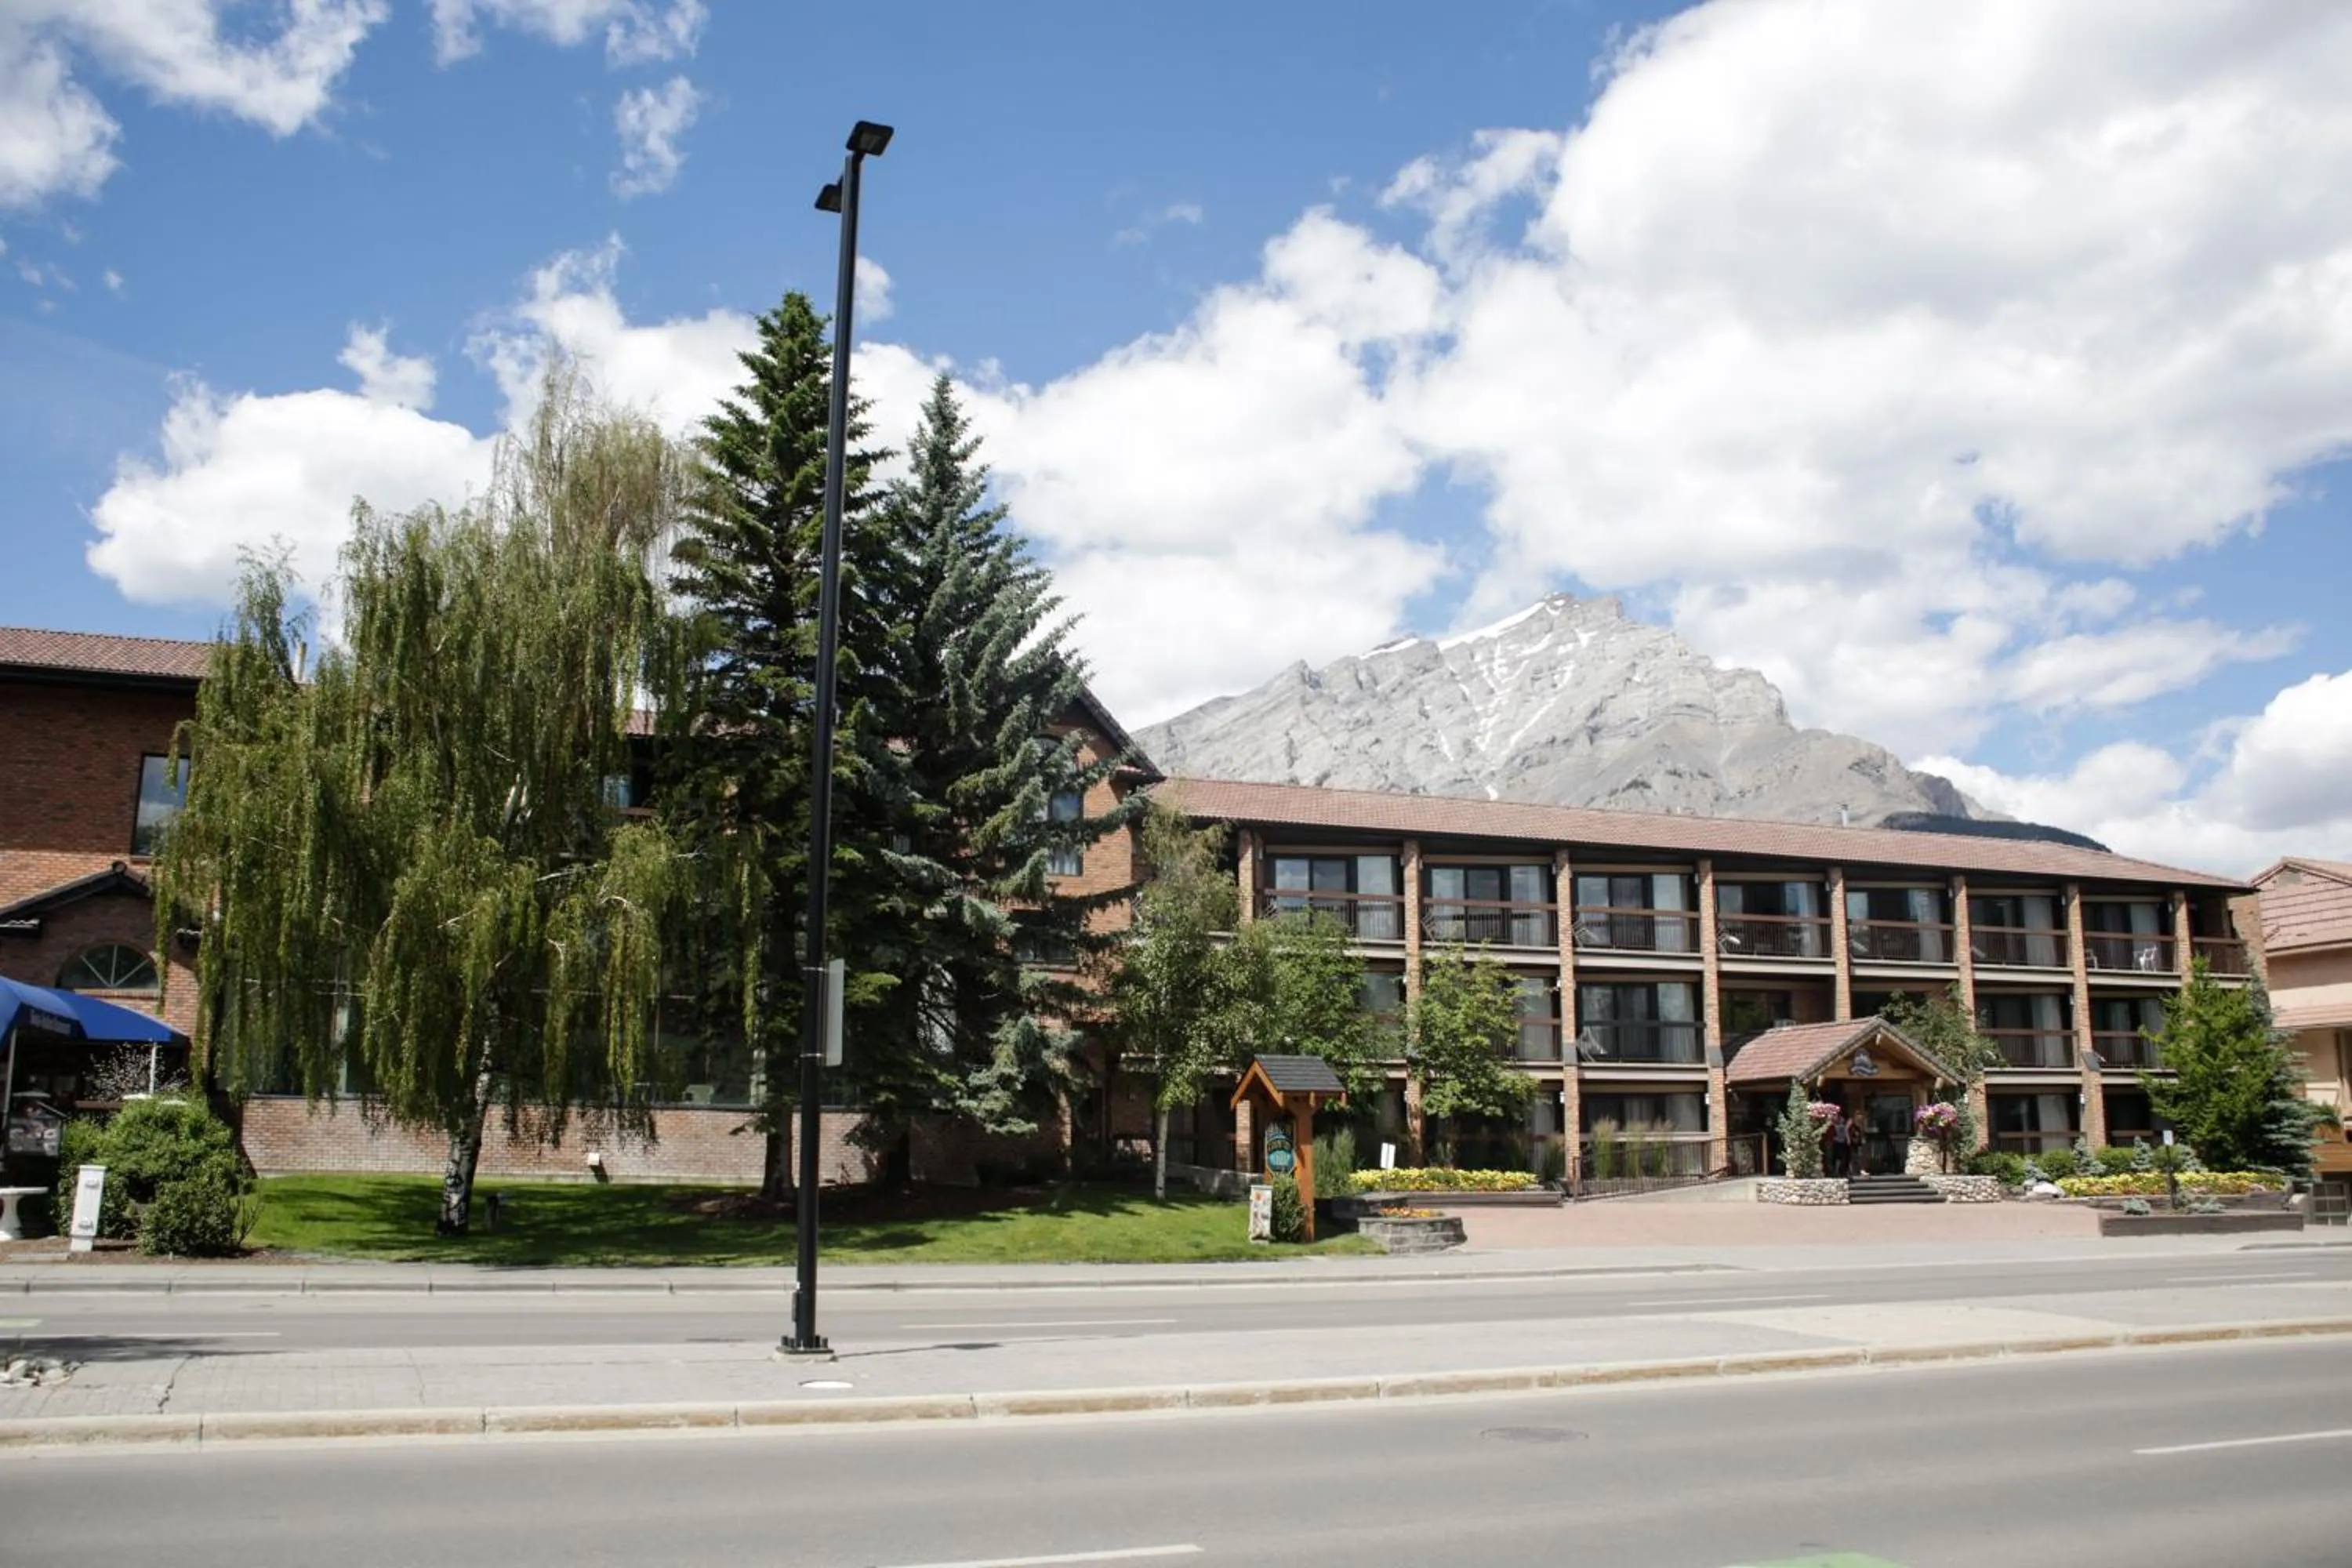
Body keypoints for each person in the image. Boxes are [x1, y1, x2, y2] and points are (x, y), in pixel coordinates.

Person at [1829, 1107, 1854, 1177]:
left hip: (1839, 1142)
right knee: (1841, 1158)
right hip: (1840, 1142)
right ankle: (1840, 1171)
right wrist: (1848, 1140)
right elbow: (1846, 1132)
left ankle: (1839, 1171)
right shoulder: (1841, 1126)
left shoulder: (1836, 1125)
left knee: (1840, 1158)